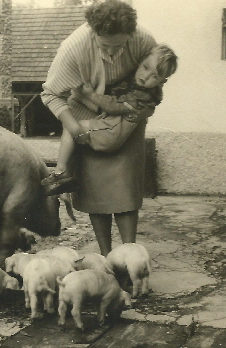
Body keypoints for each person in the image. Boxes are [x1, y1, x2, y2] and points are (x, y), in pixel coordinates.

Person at [41, 0, 163, 255]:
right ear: (92, 30)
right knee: (97, 195)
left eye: (118, 46)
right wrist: (74, 129)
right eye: (103, 45)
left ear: (131, 35)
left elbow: (157, 75)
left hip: (126, 117)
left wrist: (141, 109)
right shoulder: (73, 48)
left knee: (126, 193)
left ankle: (128, 255)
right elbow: (51, 94)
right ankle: (108, 258)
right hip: (86, 116)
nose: (110, 53)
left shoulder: (144, 41)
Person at [42, 44, 178, 195]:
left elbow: (113, 106)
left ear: (161, 82)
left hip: (110, 132)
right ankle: (68, 174)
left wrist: (91, 95)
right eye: (146, 67)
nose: (146, 76)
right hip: (110, 129)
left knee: (71, 127)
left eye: (155, 76)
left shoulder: (141, 96)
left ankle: (61, 171)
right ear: (140, 62)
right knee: (76, 134)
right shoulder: (145, 91)